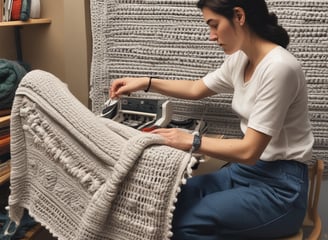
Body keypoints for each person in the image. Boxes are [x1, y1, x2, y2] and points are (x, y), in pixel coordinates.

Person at [110, 0, 314, 239]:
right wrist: (146, 82)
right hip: (245, 172)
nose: (211, 36)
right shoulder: (241, 59)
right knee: (167, 202)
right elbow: (197, 88)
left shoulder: (279, 67)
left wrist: (191, 141)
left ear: (239, 15)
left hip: (280, 188)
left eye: (214, 25)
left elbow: (250, 150)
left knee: (184, 224)